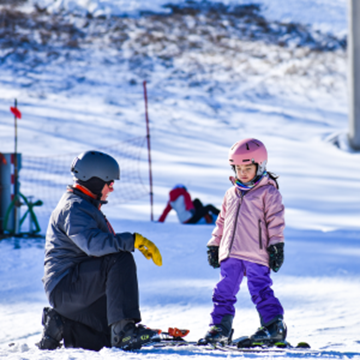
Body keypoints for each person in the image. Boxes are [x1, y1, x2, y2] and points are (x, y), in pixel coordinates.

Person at [36, 150, 162, 351]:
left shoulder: (83, 205)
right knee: (120, 259)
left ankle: (61, 323)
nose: (111, 188)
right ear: (94, 180)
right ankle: (124, 333)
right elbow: (93, 245)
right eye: (109, 182)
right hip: (66, 286)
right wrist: (132, 240)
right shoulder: (74, 207)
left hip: (74, 291)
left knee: (103, 338)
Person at [201, 138, 286, 345]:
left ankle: (273, 326)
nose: (243, 173)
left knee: (260, 289)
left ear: (261, 165)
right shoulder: (231, 193)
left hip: (256, 253)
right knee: (223, 290)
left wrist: (276, 245)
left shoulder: (268, 192)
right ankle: (220, 327)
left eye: (248, 167)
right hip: (230, 254)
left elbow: (275, 221)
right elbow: (221, 221)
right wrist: (214, 244)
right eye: (238, 168)